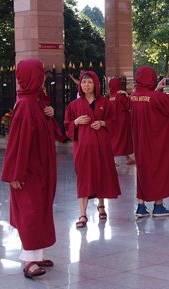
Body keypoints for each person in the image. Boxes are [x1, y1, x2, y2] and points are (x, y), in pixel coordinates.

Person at [1, 59, 60, 279]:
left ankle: (38, 254)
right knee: (31, 211)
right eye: (40, 74)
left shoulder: (35, 101)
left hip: (42, 166)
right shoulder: (25, 105)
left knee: (41, 208)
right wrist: (15, 174)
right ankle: (28, 260)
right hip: (29, 170)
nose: (43, 77)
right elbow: (18, 142)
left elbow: (50, 129)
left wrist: (50, 111)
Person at [64, 72, 122, 228]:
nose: (86, 85)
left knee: (101, 175)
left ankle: (101, 205)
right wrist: (76, 122)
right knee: (84, 178)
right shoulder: (74, 105)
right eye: (84, 83)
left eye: (89, 82)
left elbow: (114, 121)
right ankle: (83, 214)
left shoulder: (105, 102)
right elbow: (67, 125)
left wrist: (103, 123)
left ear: (95, 84)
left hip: (102, 147)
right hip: (83, 148)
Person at [130, 67, 169, 217]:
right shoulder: (158, 97)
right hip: (156, 141)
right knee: (157, 170)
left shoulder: (133, 97)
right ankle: (158, 206)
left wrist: (156, 89)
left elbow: (147, 100)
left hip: (140, 141)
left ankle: (141, 206)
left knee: (142, 171)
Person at [108, 78, 135, 165]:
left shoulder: (111, 98)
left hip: (115, 121)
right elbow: (129, 106)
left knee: (119, 139)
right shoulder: (120, 97)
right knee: (121, 139)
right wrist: (126, 94)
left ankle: (128, 158)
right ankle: (111, 160)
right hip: (123, 121)